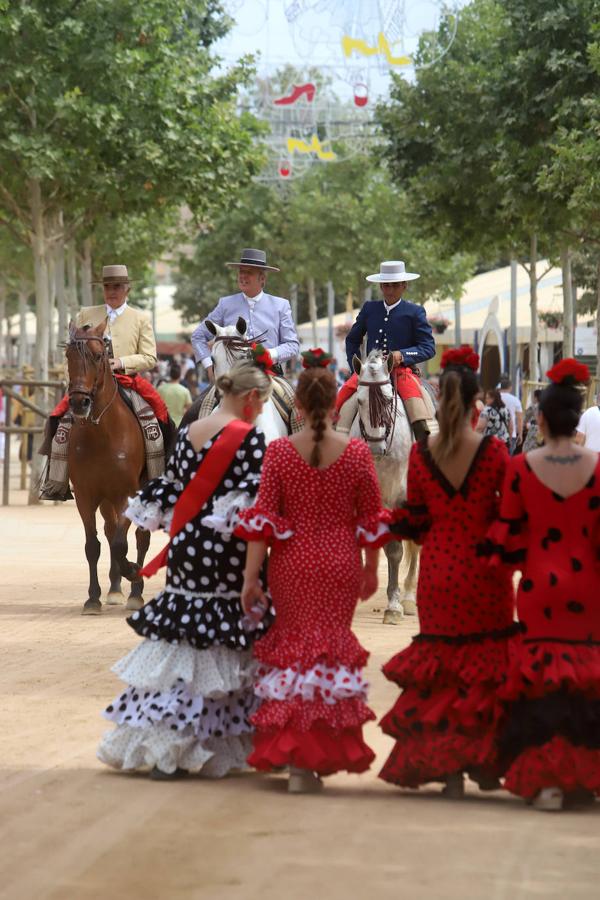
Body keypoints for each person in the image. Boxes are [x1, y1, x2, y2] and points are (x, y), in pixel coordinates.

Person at [97, 356, 274, 779]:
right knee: (220, 644)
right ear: (250, 398)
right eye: (264, 402)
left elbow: (173, 490)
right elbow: (252, 510)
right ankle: (205, 744)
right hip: (226, 552)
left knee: (183, 640)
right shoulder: (249, 438)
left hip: (187, 547)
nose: (264, 409)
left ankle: (167, 743)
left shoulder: (192, 430)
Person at [236, 348, 386, 794]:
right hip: (341, 563)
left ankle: (298, 761)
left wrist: (249, 578)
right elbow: (373, 517)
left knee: (296, 656)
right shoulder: (357, 452)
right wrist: (372, 569)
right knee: (327, 656)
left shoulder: (281, 452)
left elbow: (261, 522)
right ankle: (318, 753)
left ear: (296, 405)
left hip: (292, 566)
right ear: (334, 405)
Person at [379, 345, 516, 798]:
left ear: (439, 404)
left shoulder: (420, 457)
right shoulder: (495, 452)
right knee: (481, 669)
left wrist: (377, 526)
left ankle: (449, 768)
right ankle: (483, 760)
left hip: (438, 571)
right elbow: (507, 517)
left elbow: (414, 519)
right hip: (484, 573)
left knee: (445, 671)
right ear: (477, 404)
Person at [484, 358, 600, 811]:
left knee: (545, 686)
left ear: (543, 420)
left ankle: (549, 782)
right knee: (584, 684)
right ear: (577, 421)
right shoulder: (597, 468)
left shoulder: (521, 466)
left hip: (538, 587)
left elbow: (506, 534)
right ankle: (586, 778)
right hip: (588, 589)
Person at [40, 265, 170, 500]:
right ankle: (55, 481)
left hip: (127, 381)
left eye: (117, 286)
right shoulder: (85, 315)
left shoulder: (140, 319)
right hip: (88, 384)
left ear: (127, 289)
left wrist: (120, 362)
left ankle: (159, 482)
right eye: (108, 286)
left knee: (158, 421)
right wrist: (78, 377)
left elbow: (150, 357)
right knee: (58, 424)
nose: (112, 291)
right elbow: (71, 350)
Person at [336, 260, 436, 441]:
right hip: (369, 371)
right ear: (381, 286)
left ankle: (426, 446)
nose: (389, 290)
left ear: (404, 286)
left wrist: (403, 355)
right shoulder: (369, 309)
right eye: (386, 285)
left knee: (418, 409)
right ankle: (334, 445)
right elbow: (352, 340)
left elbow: (428, 347)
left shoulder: (415, 312)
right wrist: (357, 369)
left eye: (395, 285)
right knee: (341, 402)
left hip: (400, 371)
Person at [191, 248, 299, 382]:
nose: (243, 276)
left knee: (291, 402)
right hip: (231, 379)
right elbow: (198, 336)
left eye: (249, 272)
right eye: (241, 271)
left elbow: (292, 345)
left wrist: (269, 354)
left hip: (270, 377)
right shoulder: (225, 304)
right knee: (204, 403)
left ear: (262, 278)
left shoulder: (281, 305)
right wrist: (209, 364)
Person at [499, 375, 523, 453]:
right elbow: (519, 418)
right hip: (510, 434)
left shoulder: (494, 397)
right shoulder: (515, 400)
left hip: (495, 433)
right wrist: (520, 433)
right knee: (508, 459)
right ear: (510, 387)